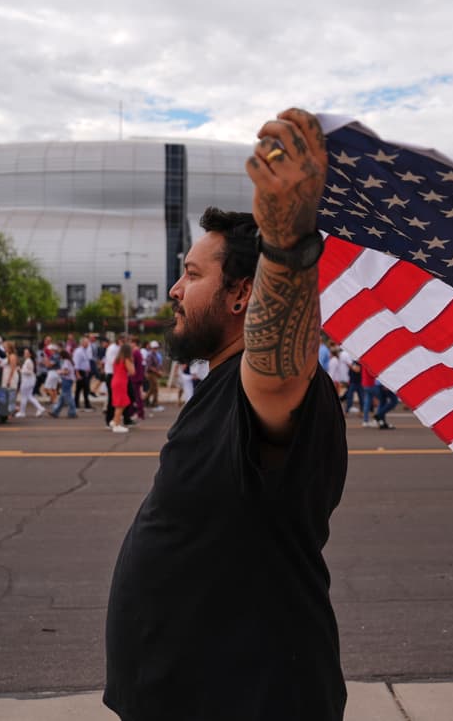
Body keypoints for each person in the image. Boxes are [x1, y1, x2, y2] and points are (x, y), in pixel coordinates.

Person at [104, 109, 347, 720]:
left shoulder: (265, 388)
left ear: (243, 294)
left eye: (191, 274)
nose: (175, 291)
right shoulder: (217, 385)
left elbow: (281, 362)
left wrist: (286, 246)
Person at [108, 342, 134, 433]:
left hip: (115, 380)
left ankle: (115, 420)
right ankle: (116, 424)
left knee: (119, 403)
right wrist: (132, 361)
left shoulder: (117, 359)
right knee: (121, 404)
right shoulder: (126, 359)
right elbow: (132, 372)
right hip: (121, 382)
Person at [14, 346, 45, 418]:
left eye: (26, 353)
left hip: (27, 381)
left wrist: (20, 370)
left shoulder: (29, 361)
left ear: (30, 354)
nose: (25, 354)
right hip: (29, 381)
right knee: (29, 396)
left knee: (24, 397)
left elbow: (30, 371)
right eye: (24, 352)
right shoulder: (29, 360)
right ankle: (40, 408)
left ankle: (22, 412)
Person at [50, 350, 78, 419]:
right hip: (69, 380)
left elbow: (66, 371)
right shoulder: (69, 361)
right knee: (62, 398)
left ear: (62, 356)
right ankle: (55, 412)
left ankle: (72, 412)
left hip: (66, 380)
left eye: (60, 355)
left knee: (68, 397)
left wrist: (59, 372)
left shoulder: (66, 361)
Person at [72, 337, 94, 410]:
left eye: (88, 342)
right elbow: (76, 363)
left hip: (85, 372)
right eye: (86, 342)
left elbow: (86, 360)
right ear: (82, 343)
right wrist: (77, 374)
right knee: (83, 388)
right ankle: (84, 404)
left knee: (81, 388)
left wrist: (88, 368)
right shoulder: (78, 351)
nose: (87, 344)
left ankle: (78, 403)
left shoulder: (85, 350)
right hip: (80, 371)